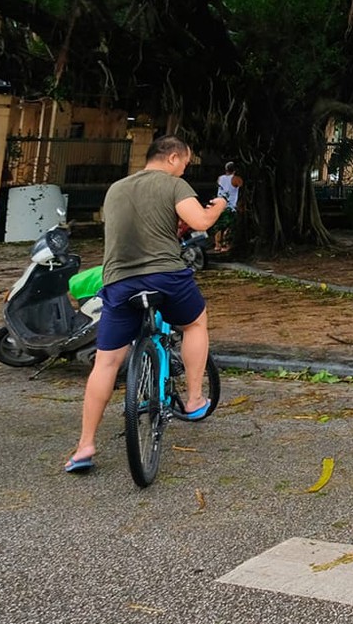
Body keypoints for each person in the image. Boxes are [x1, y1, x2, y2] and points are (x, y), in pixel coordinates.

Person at [63, 134, 228, 474]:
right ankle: (195, 398)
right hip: (165, 277)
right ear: (171, 158)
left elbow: (139, 230)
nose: (184, 169)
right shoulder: (172, 185)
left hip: (118, 282)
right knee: (195, 323)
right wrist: (220, 206)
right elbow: (201, 222)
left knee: (106, 363)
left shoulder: (117, 189)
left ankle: (84, 446)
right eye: (185, 161)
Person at [211, 162, 242, 252]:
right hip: (230, 206)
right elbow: (242, 187)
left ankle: (217, 245)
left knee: (219, 226)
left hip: (219, 205)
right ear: (235, 170)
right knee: (229, 226)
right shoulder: (236, 179)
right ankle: (226, 244)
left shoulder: (220, 178)